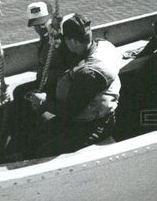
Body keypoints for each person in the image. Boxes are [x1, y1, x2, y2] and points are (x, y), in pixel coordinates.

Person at [25, 13, 122, 156]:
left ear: (74, 42)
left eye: (65, 40)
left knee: (43, 152)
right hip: (87, 114)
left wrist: (44, 102)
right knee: (36, 136)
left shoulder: (89, 73)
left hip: (93, 125)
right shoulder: (103, 44)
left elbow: (69, 111)